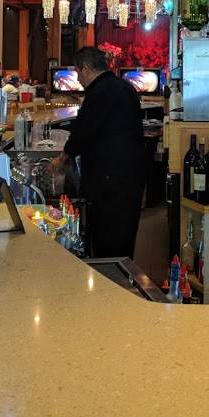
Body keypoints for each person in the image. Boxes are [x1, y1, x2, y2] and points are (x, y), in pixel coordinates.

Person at [51, 47, 145, 258]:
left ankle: (108, 277)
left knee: (107, 239)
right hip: (132, 178)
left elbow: (83, 132)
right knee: (125, 237)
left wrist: (63, 158)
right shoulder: (125, 87)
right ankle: (123, 272)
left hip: (108, 181)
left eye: (77, 72)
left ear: (85, 69)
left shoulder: (99, 92)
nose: (78, 79)